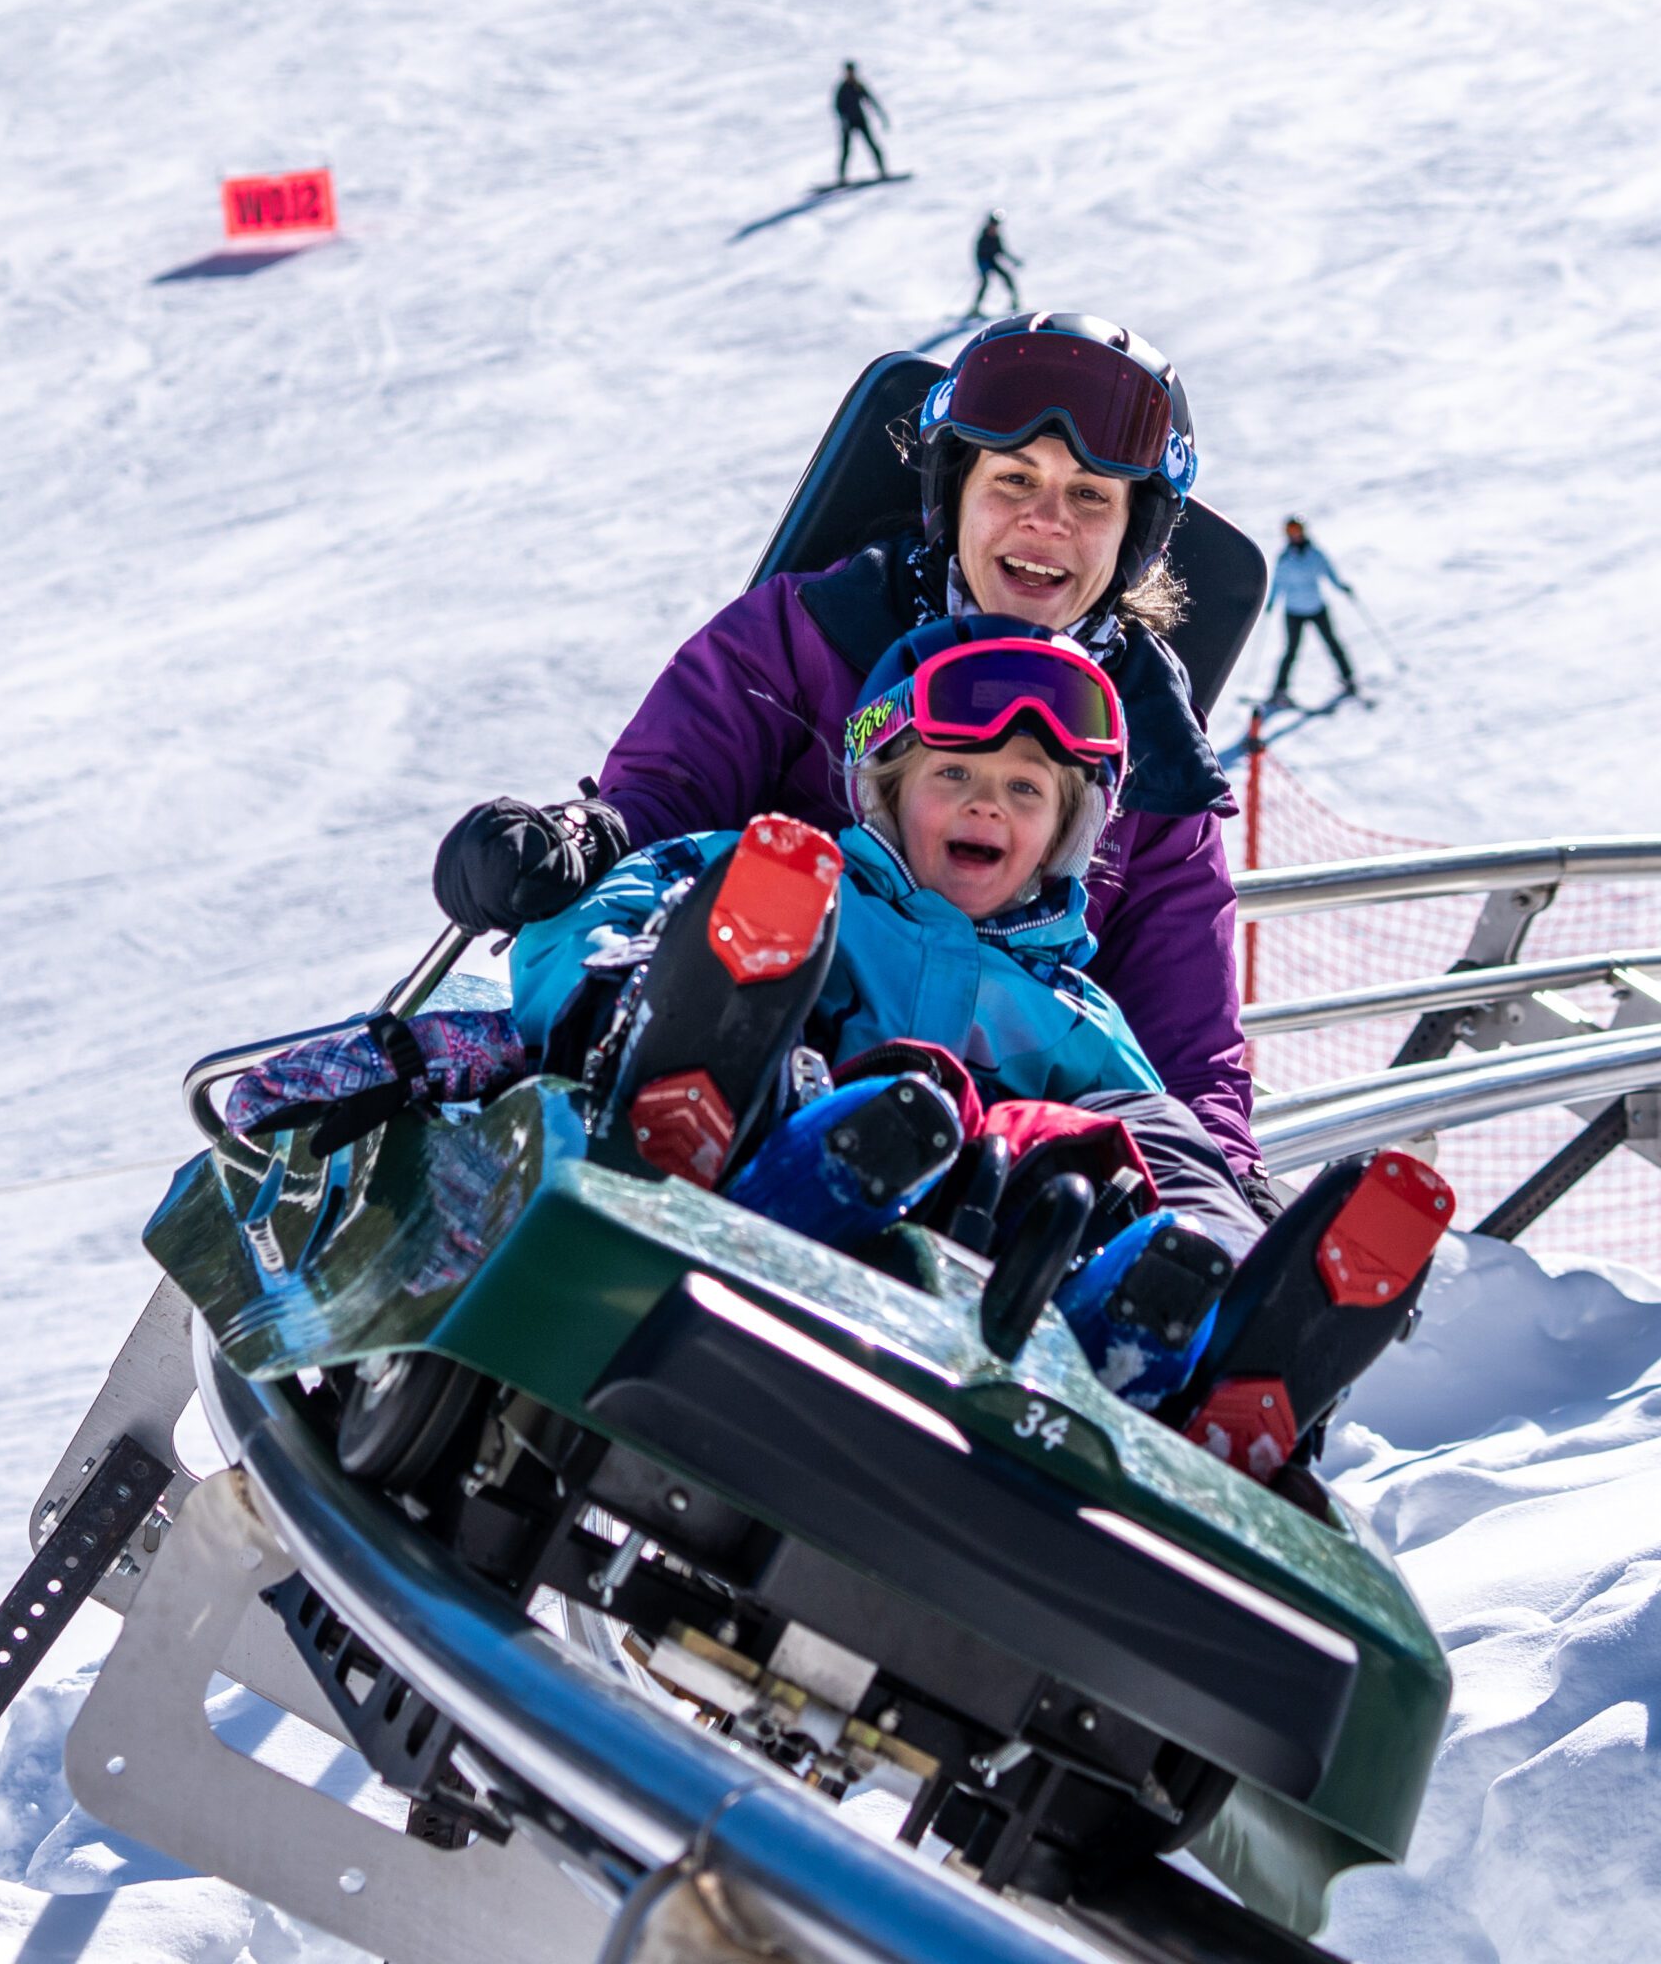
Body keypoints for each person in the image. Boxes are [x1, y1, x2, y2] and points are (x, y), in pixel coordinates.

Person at [504, 615, 1448, 1479]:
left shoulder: (1074, 1008)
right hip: (766, 1148)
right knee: (775, 974)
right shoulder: (804, 885)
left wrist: (1227, 1205)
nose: (985, 806)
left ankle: (1214, 1330)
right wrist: (612, 980)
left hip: (985, 1264)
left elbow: (1163, 1145)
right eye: (951, 773)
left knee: (1129, 1137)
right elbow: (598, 917)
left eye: (1024, 790)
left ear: (1062, 834)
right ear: (885, 790)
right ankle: (692, 1097)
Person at [433, 313, 1267, 1213]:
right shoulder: (809, 635)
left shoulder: (1155, 765)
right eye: (1014, 479)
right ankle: (686, 1097)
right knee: (740, 940)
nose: (1045, 521)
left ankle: (1211, 1293)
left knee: (1136, 1153)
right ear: (955, 492)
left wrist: (1225, 1180)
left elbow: (1184, 1038)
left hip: (978, 1133)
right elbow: (664, 811)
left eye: (1091, 497)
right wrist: (581, 840)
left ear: (1132, 533)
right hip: (778, 1038)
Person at [1266, 517, 1358, 707]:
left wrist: (1342, 587)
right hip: (1294, 611)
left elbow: (1329, 572)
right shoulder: (1284, 558)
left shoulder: (1315, 554)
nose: (1294, 534)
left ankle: (1348, 678)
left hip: (1316, 607)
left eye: (1297, 529)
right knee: (1291, 650)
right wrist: (1271, 602)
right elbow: (1277, 583)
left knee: (1332, 642)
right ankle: (1280, 689)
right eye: (1290, 531)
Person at [834, 61, 888, 185]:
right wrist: (843, 120)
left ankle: (883, 172)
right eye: (848, 72)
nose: (850, 74)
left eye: (852, 71)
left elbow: (871, 100)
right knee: (846, 151)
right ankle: (841, 179)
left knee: (873, 145)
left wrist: (881, 115)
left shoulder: (858, 86)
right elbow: (837, 107)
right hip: (848, 124)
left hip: (860, 120)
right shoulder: (842, 88)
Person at [967, 211, 1020, 317]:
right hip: (985, 262)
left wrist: (1014, 260)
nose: (995, 227)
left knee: (1007, 277)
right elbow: (978, 253)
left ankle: (1014, 301)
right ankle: (976, 307)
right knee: (985, 282)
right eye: (993, 224)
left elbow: (1002, 251)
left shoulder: (996, 237)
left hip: (992, 261)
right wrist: (982, 265)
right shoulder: (983, 237)